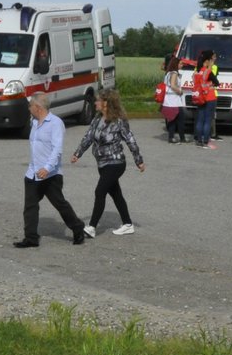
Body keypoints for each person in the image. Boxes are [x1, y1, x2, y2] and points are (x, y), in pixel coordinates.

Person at [70, 88, 146, 236]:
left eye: (98, 100)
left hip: (116, 163)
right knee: (116, 194)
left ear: (106, 103)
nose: (95, 102)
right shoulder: (97, 119)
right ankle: (128, 223)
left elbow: (131, 140)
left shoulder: (119, 121)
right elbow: (88, 137)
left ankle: (91, 227)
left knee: (100, 191)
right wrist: (77, 153)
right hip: (102, 164)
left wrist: (139, 161)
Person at [15, 95, 87, 248]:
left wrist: (47, 168)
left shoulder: (55, 123)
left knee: (60, 204)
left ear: (37, 108)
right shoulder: (34, 122)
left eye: (30, 106)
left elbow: (57, 150)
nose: (28, 109)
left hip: (50, 175)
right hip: (32, 173)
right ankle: (31, 238)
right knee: (30, 206)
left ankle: (77, 227)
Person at [192, 49, 219, 149]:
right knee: (208, 120)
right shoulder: (207, 72)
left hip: (199, 98)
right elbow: (217, 82)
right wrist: (210, 68)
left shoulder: (196, 72)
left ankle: (199, 140)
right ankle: (206, 141)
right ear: (207, 61)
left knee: (200, 119)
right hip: (210, 97)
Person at [160, 56, 187, 143]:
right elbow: (173, 85)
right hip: (174, 100)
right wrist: (180, 91)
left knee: (172, 120)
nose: (182, 65)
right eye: (180, 63)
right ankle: (182, 138)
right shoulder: (174, 73)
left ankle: (171, 137)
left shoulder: (168, 73)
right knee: (180, 119)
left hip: (168, 100)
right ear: (176, 64)